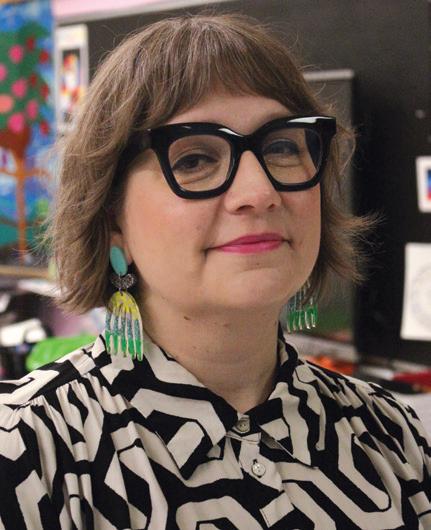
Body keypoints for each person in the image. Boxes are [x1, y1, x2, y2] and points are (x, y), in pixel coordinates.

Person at [0, 13, 430, 530]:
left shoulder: (392, 436)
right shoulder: (25, 452)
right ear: (112, 219)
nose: (259, 192)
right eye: (195, 159)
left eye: (281, 147)